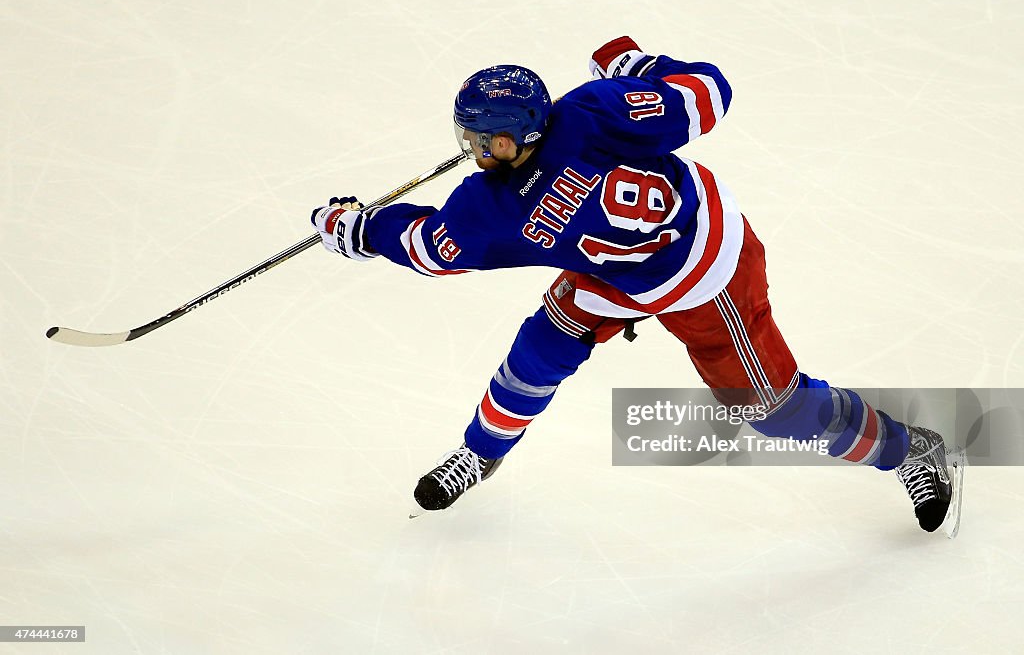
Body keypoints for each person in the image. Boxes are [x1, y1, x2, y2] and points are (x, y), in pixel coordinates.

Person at [310, 37, 963, 532]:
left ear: (528, 131)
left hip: (705, 271)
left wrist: (360, 230)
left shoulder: (496, 201)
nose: (480, 153)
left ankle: (911, 448)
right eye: (472, 139)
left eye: (493, 141)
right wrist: (639, 67)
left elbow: (426, 248)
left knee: (773, 409)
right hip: (614, 276)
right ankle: (481, 454)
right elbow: (708, 93)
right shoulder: (591, 109)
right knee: (539, 348)